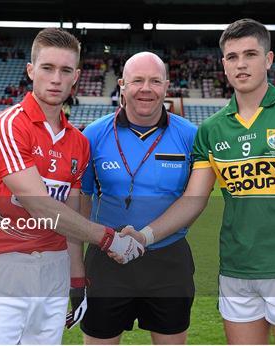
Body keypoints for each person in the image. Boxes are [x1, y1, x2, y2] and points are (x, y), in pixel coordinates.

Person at [120, 19, 275, 344]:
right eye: (232, 56)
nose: (241, 64)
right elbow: (193, 199)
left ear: (267, 60)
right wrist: (142, 236)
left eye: (250, 54)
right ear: (223, 64)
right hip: (236, 271)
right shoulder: (211, 129)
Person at [0, 28, 144, 345]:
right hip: (5, 264)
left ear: (76, 77)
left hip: (54, 268)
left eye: (65, 70)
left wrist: (76, 279)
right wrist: (108, 239)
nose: (56, 79)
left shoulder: (78, 142)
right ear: (31, 70)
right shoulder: (9, 125)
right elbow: (40, 204)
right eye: (47, 68)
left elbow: (70, 219)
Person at [80, 52, 197, 345]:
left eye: (155, 81)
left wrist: (145, 236)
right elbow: (83, 197)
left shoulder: (190, 136)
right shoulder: (93, 135)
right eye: (137, 80)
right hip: (107, 260)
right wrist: (82, 256)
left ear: (167, 86)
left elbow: (196, 198)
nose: (146, 88)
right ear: (122, 84)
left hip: (169, 261)